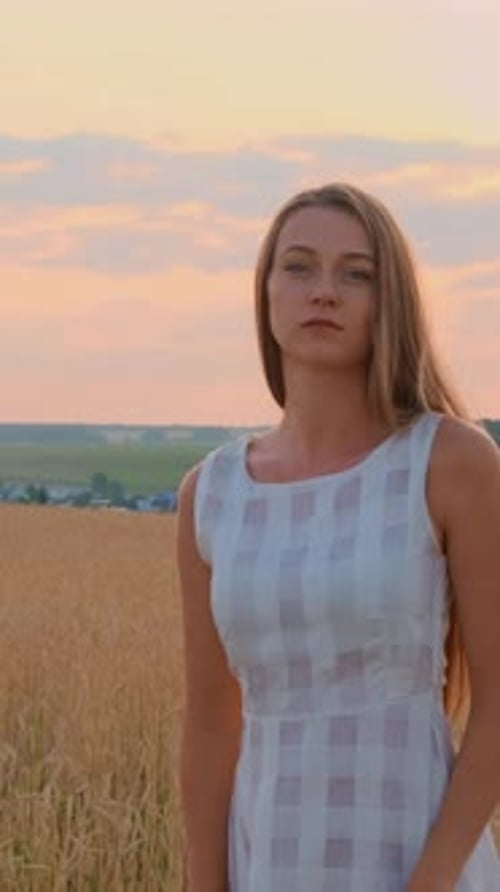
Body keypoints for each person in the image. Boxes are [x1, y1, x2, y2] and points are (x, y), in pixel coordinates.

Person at [176, 183, 500, 891]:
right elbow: (209, 726)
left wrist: (432, 882)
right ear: (265, 292)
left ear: (391, 304)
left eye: (357, 274)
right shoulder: (212, 494)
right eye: (299, 266)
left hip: (415, 860)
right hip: (270, 861)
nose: (324, 291)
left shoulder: (450, 462)